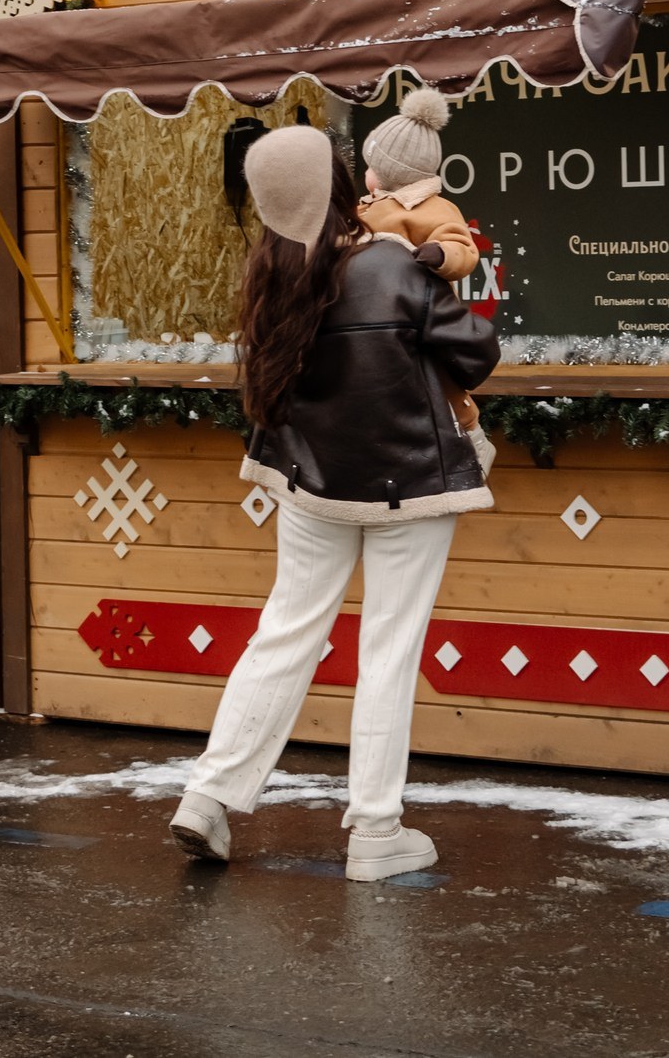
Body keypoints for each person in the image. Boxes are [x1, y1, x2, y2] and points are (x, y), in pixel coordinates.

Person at [169, 124, 501, 883]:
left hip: (309, 484)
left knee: (283, 632)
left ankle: (209, 796)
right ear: (342, 189)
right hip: (409, 485)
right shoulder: (389, 267)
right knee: (388, 648)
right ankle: (376, 833)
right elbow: (476, 355)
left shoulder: (269, 275)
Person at [356, 84, 483, 436]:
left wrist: (441, 254)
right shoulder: (365, 208)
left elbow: (463, 248)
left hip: (423, 316)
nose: (366, 174)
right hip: (373, 315)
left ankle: (469, 430)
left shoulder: (436, 210)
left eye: (372, 166)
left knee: (439, 372)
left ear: (392, 171)